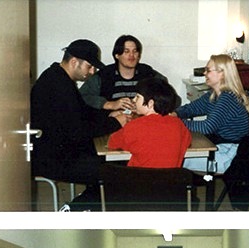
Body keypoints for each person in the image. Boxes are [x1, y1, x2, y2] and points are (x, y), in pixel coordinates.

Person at [30, 39, 129, 209]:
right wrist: (114, 123)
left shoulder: (58, 77)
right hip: (53, 159)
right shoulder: (58, 86)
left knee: (111, 164)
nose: (92, 71)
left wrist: (109, 115)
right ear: (74, 62)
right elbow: (79, 130)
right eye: (89, 67)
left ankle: (88, 198)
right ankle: (75, 208)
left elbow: (83, 112)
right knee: (114, 174)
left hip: (62, 151)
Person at [176, 54, 249, 173]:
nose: (204, 73)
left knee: (173, 159)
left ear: (222, 74)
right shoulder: (214, 95)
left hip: (228, 155)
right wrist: (173, 114)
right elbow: (190, 109)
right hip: (219, 146)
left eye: (208, 70)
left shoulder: (228, 98)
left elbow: (207, 127)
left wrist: (175, 122)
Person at [107, 77, 192, 168]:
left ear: (150, 103)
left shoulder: (135, 126)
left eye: (138, 97)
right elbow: (187, 142)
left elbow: (112, 143)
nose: (134, 100)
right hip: (170, 181)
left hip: (138, 180)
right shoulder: (178, 124)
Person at [79, 34, 176, 112]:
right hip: (111, 123)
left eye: (135, 51)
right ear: (117, 55)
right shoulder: (104, 75)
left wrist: (147, 106)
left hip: (143, 123)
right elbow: (81, 96)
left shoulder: (147, 73)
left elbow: (172, 98)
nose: (132, 55)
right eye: (126, 51)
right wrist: (109, 104)